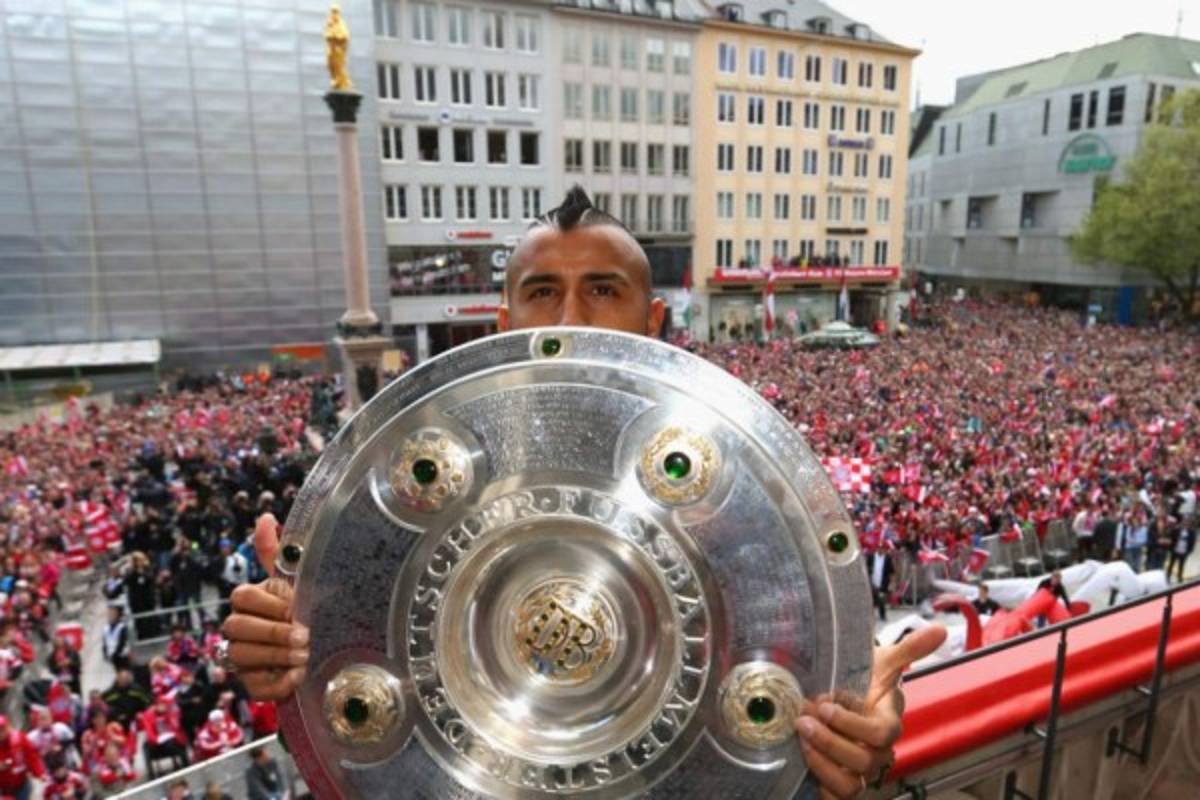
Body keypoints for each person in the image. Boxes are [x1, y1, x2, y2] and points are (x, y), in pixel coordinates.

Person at [222, 187, 947, 799]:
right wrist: (281, 651)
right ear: (504, 325)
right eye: (543, 292)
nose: (570, 316)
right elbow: (342, 697)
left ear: (654, 324)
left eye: (603, 289)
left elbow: (832, 677)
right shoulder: (396, 507)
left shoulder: (750, 493)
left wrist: (862, 731)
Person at [0, 714, 46, 800]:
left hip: (22, 785)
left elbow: (32, 757)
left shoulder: (19, 738)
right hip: (3, 789)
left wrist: (40, 773)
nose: (1, 733)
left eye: (3, 728)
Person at [101, 605, 130, 672]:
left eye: (113, 614)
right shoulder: (106, 628)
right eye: (109, 614)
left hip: (122, 656)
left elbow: (122, 643)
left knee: (124, 672)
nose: (111, 616)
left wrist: (115, 654)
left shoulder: (122, 626)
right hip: (112, 656)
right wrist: (105, 654)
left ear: (117, 615)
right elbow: (105, 643)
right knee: (118, 672)